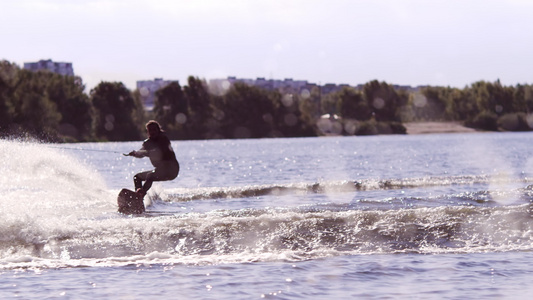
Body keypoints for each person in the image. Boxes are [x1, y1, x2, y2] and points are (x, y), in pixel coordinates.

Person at [128, 120, 179, 197]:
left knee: (150, 176)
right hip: (160, 170)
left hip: (172, 170)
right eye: (150, 130)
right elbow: (141, 153)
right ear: (147, 132)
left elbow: (157, 152)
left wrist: (143, 152)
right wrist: (135, 153)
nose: (152, 132)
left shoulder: (164, 139)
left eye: (154, 130)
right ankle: (138, 195)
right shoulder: (147, 143)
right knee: (137, 177)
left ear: (158, 130)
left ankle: (141, 194)